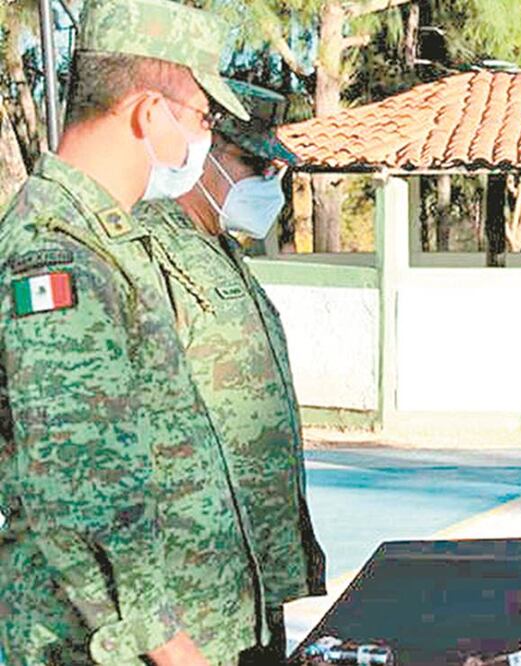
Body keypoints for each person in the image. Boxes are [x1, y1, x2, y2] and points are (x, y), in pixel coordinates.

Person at [0, 0, 269, 664]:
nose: (203, 141)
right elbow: (82, 492)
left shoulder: (107, 240)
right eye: (204, 118)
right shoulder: (58, 253)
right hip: (110, 648)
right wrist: (176, 653)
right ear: (149, 112)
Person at [134, 79, 327, 665]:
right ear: (205, 150)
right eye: (253, 163)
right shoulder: (146, 248)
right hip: (189, 606)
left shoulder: (221, 249)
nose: (269, 183)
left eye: (275, 170)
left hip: (251, 589)